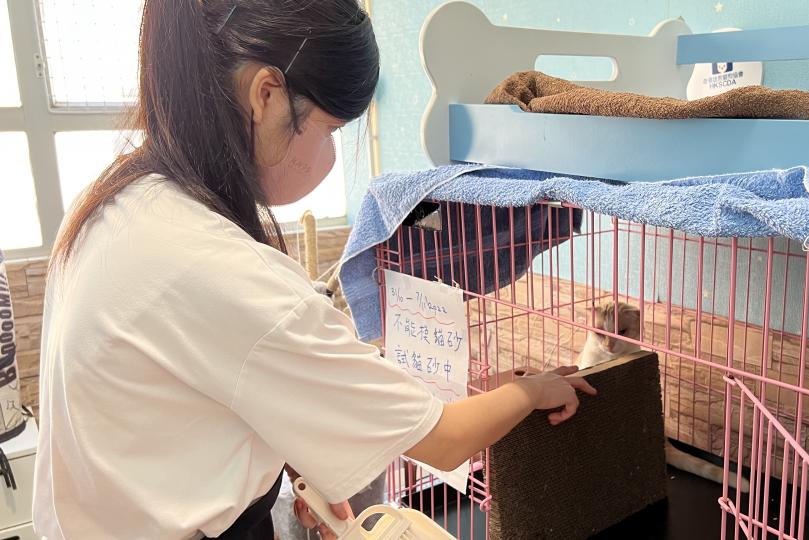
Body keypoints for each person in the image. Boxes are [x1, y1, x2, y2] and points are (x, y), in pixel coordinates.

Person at [33, 1, 596, 539]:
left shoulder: (118, 202)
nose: (332, 153)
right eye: (331, 128)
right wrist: (531, 393)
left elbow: (199, 394)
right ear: (267, 95)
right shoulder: (216, 268)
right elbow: (444, 442)